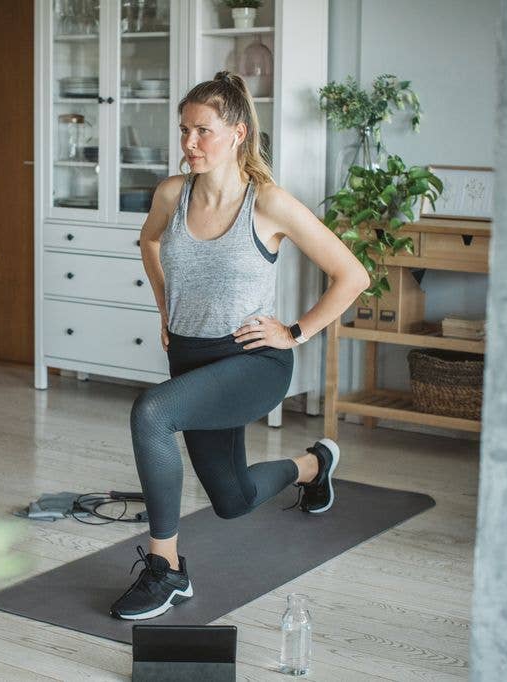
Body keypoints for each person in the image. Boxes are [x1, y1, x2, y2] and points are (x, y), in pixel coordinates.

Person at [109, 72, 370, 621]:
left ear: (238, 132)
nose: (189, 143)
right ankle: (314, 465)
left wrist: (295, 331)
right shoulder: (171, 195)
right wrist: (165, 305)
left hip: (252, 361)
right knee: (233, 502)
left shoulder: (269, 204)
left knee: (151, 413)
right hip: (191, 359)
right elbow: (149, 241)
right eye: (184, 130)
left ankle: (167, 569)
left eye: (202, 130)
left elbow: (352, 275)